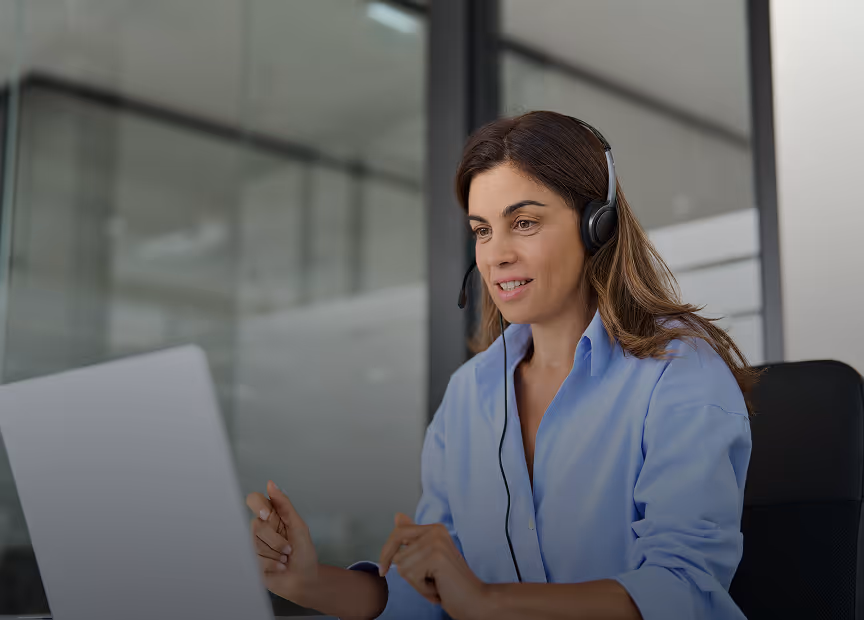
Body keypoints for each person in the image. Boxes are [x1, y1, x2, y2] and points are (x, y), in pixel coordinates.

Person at [246, 110, 757, 620]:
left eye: (524, 223)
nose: (496, 256)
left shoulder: (676, 373)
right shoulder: (470, 393)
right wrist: (310, 582)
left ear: (596, 227)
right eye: (483, 231)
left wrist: (487, 602)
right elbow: (428, 596)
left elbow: (685, 592)